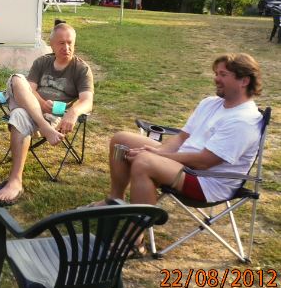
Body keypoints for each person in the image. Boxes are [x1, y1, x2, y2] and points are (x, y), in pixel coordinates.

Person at [92, 53, 262, 254]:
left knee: (144, 162)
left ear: (244, 81)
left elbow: (204, 162)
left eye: (223, 74)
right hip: (184, 164)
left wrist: (156, 157)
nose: (216, 79)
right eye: (216, 73)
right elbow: (181, 138)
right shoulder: (211, 103)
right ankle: (115, 200)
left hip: (207, 182)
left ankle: (134, 241)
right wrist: (157, 151)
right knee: (121, 140)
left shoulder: (244, 120)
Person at [0, 22, 94, 204]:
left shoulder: (81, 69)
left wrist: (72, 112)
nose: (66, 47)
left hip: (54, 116)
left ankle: (15, 180)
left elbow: (87, 100)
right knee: (17, 79)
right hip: (34, 111)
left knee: (18, 115)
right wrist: (41, 103)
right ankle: (42, 129)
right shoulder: (42, 62)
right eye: (61, 43)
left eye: (70, 42)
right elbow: (29, 89)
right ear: (52, 44)